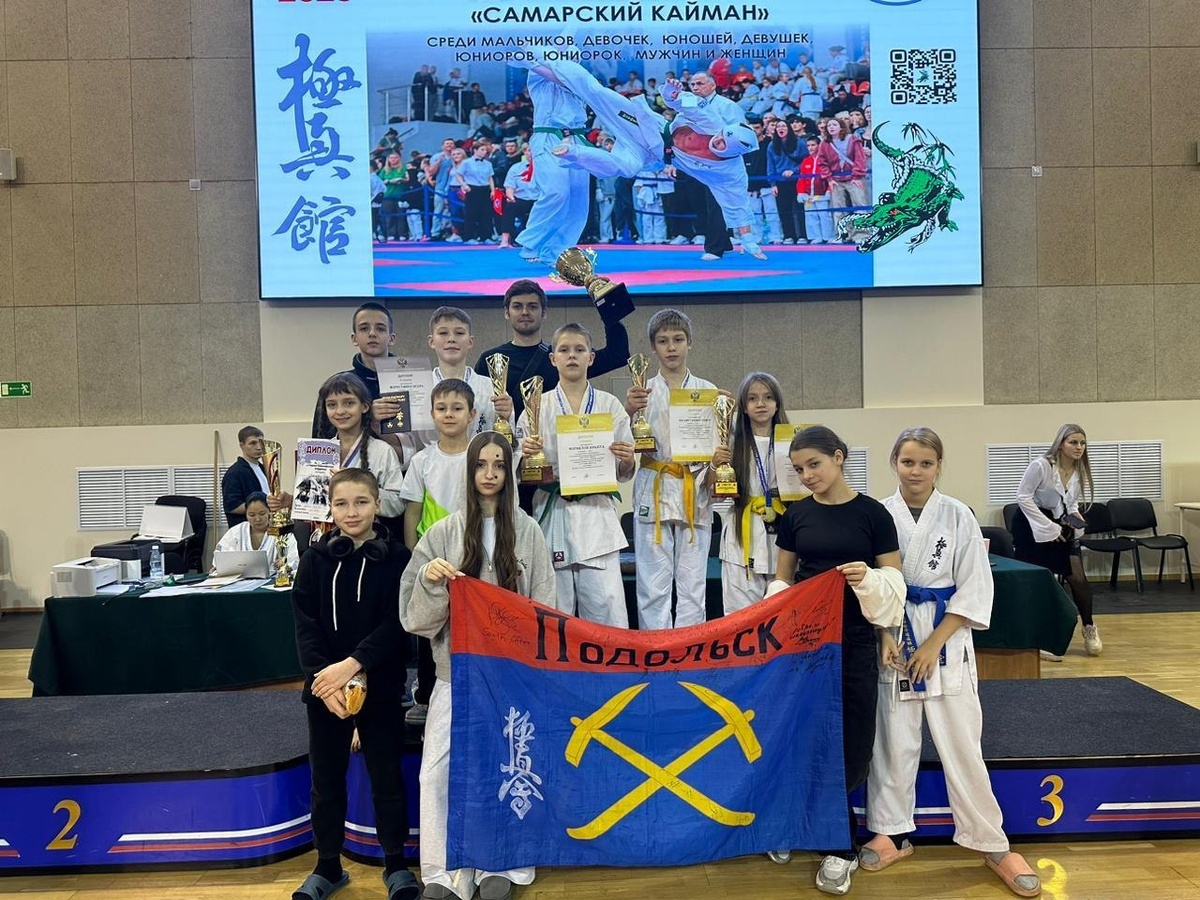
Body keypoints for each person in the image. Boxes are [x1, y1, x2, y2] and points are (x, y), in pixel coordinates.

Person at [862, 427, 1041, 898]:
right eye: (907, 462)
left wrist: (933, 644)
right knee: (893, 742)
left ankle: (992, 842)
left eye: (926, 463)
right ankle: (891, 832)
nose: (916, 471)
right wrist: (885, 633)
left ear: (939, 466)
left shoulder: (958, 514)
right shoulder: (878, 514)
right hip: (895, 639)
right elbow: (873, 585)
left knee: (963, 743)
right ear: (894, 463)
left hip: (946, 638)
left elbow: (975, 586)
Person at [400, 432, 558, 900]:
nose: (490, 474)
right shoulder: (443, 533)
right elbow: (414, 618)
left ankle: (500, 864)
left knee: (509, 767)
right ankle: (443, 873)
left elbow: (545, 607)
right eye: (481, 465)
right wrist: (430, 580)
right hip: (457, 675)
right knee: (437, 772)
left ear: (509, 473)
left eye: (499, 465)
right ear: (468, 471)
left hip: (510, 677)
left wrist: (532, 670)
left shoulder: (528, 531)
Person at [770, 426, 905, 896]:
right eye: (799, 469)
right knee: (804, 735)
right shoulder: (795, 516)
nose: (807, 475)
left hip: (856, 640)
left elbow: (893, 583)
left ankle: (833, 841)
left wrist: (883, 628)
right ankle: (832, 841)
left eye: (814, 464)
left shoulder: (874, 515)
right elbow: (782, 582)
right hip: (807, 644)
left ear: (839, 457)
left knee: (852, 742)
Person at [290, 468, 418, 900]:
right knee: (326, 781)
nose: (352, 512)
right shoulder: (314, 560)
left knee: (387, 778)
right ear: (330, 508)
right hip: (325, 693)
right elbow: (305, 625)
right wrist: (324, 682)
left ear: (378, 504)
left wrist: (353, 665)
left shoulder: (398, 558)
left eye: (361, 502)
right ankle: (328, 866)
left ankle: (396, 864)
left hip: (380, 688)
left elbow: (398, 624)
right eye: (341, 503)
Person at [518, 323, 635, 626]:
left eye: (579, 349)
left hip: (597, 517)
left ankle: (609, 659)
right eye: (564, 350)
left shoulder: (609, 405)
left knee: (607, 610)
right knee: (554, 612)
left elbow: (625, 472)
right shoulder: (536, 405)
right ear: (553, 358)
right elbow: (520, 472)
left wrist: (626, 459)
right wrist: (525, 455)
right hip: (553, 511)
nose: (572, 355)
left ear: (591, 358)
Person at [625, 309, 718, 630]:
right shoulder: (641, 392)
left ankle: (690, 652)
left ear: (689, 342)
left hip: (695, 487)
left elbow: (719, 442)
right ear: (653, 348)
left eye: (678, 339)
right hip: (654, 484)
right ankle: (656, 650)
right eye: (663, 341)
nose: (671, 347)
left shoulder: (708, 391)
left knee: (693, 585)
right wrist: (628, 411)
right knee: (652, 584)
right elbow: (622, 442)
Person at [400, 378, 478, 727]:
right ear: (431, 414)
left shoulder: (480, 455)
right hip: (434, 560)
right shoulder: (422, 460)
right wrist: (415, 557)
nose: (449, 414)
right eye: (442, 408)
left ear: (472, 414)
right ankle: (428, 696)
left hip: (473, 558)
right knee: (434, 630)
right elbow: (412, 512)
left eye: (457, 408)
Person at [472, 279, 630, 422]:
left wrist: (605, 300)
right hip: (506, 441)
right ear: (507, 313)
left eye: (532, 306)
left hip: (557, 440)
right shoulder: (491, 360)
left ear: (544, 312)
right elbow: (477, 408)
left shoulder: (563, 357)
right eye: (517, 306)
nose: (525, 312)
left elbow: (617, 355)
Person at [1012, 424, 1100, 658]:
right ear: (1061, 444)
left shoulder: (1079, 471)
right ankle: (1039, 639)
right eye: (1073, 442)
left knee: (1077, 577)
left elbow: (1071, 502)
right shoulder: (1041, 465)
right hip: (1031, 524)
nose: (1079, 447)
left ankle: (1089, 626)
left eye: (1082, 443)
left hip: (1059, 523)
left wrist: (1075, 518)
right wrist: (1047, 526)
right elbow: (1023, 497)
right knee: (1041, 581)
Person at [660, 71, 766, 261]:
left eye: (700, 83)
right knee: (698, 202)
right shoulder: (690, 101)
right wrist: (674, 160)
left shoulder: (728, 106)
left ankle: (714, 247)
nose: (695, 87)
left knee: (716, 204)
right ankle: (723, 242)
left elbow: (742, 137)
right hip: (690, 156)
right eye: (693, 84)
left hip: (719, 164)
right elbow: (678, 116)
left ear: (713, 85)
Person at [712, 372, 789, 613]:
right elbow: (713, 490)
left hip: (781, 530)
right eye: (752, 398)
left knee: (782, 614)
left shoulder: (792, 441)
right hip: (742, 532)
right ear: (743, 407)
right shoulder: (730, 441)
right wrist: (715, 465)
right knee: (740, 616)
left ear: (777, 404)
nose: (761, 404)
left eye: (768, 397)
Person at [311, 302, 419, 469]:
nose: (372, 333)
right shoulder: (337, 386)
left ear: (392, 338)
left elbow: (421, 441)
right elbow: (321, 439)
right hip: (347, 473)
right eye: (364, 328)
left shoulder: (411, 382)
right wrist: (367, 418)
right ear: (354, 338)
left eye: (380, 328)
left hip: (403, 473)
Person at [313, 372, 407, 532]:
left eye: (349, 403)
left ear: (364, 407)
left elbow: (398, 503)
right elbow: (311, 501)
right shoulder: (318, 452)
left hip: (369, 538)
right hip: (326, 537)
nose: (340, 411)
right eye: (332, 405)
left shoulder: (382, 451)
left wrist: (360, 486)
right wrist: (291, 501)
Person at [426, 307, 512, 438]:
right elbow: (409, 442)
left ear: (470, 342)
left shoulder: (491, 388)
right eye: (443, 333)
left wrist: (507, 417)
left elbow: (508, 440)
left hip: (482, 451)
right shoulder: (420, 389)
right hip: (431, 451)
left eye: (459, 333)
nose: (451, 339)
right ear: (431, 341)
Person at [213, 491, 300, 575]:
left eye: (262, 514)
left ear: (269, 512)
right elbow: (220, 556)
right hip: (239, 579)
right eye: (252, 515)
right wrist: (219, 566)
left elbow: (294, 558)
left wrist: (284, 563)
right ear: (246, 514)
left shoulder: (280, 530)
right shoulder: (236, 532)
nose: (257, 519)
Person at [222, 425, 290, 527]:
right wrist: (263, 506)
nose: (258, 447)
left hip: (267, 525)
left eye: (261, 442)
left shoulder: (265, 468)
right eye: (252, 443)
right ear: (242, 446)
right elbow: (232, 507)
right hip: (247, 528)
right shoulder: (234, 473)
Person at [798, 135, 836, 244]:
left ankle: (829, 236)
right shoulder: (806, 161)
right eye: (808, 145)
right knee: (811, 216)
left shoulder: (825, 160)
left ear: (819, 146)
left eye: (813, 145)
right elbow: (801, 178)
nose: (810, 148)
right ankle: (815, 237)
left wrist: (829, 190)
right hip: (808, 196)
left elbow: (830, 176)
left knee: (825, 216)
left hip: (822, 195)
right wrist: (800, 192)